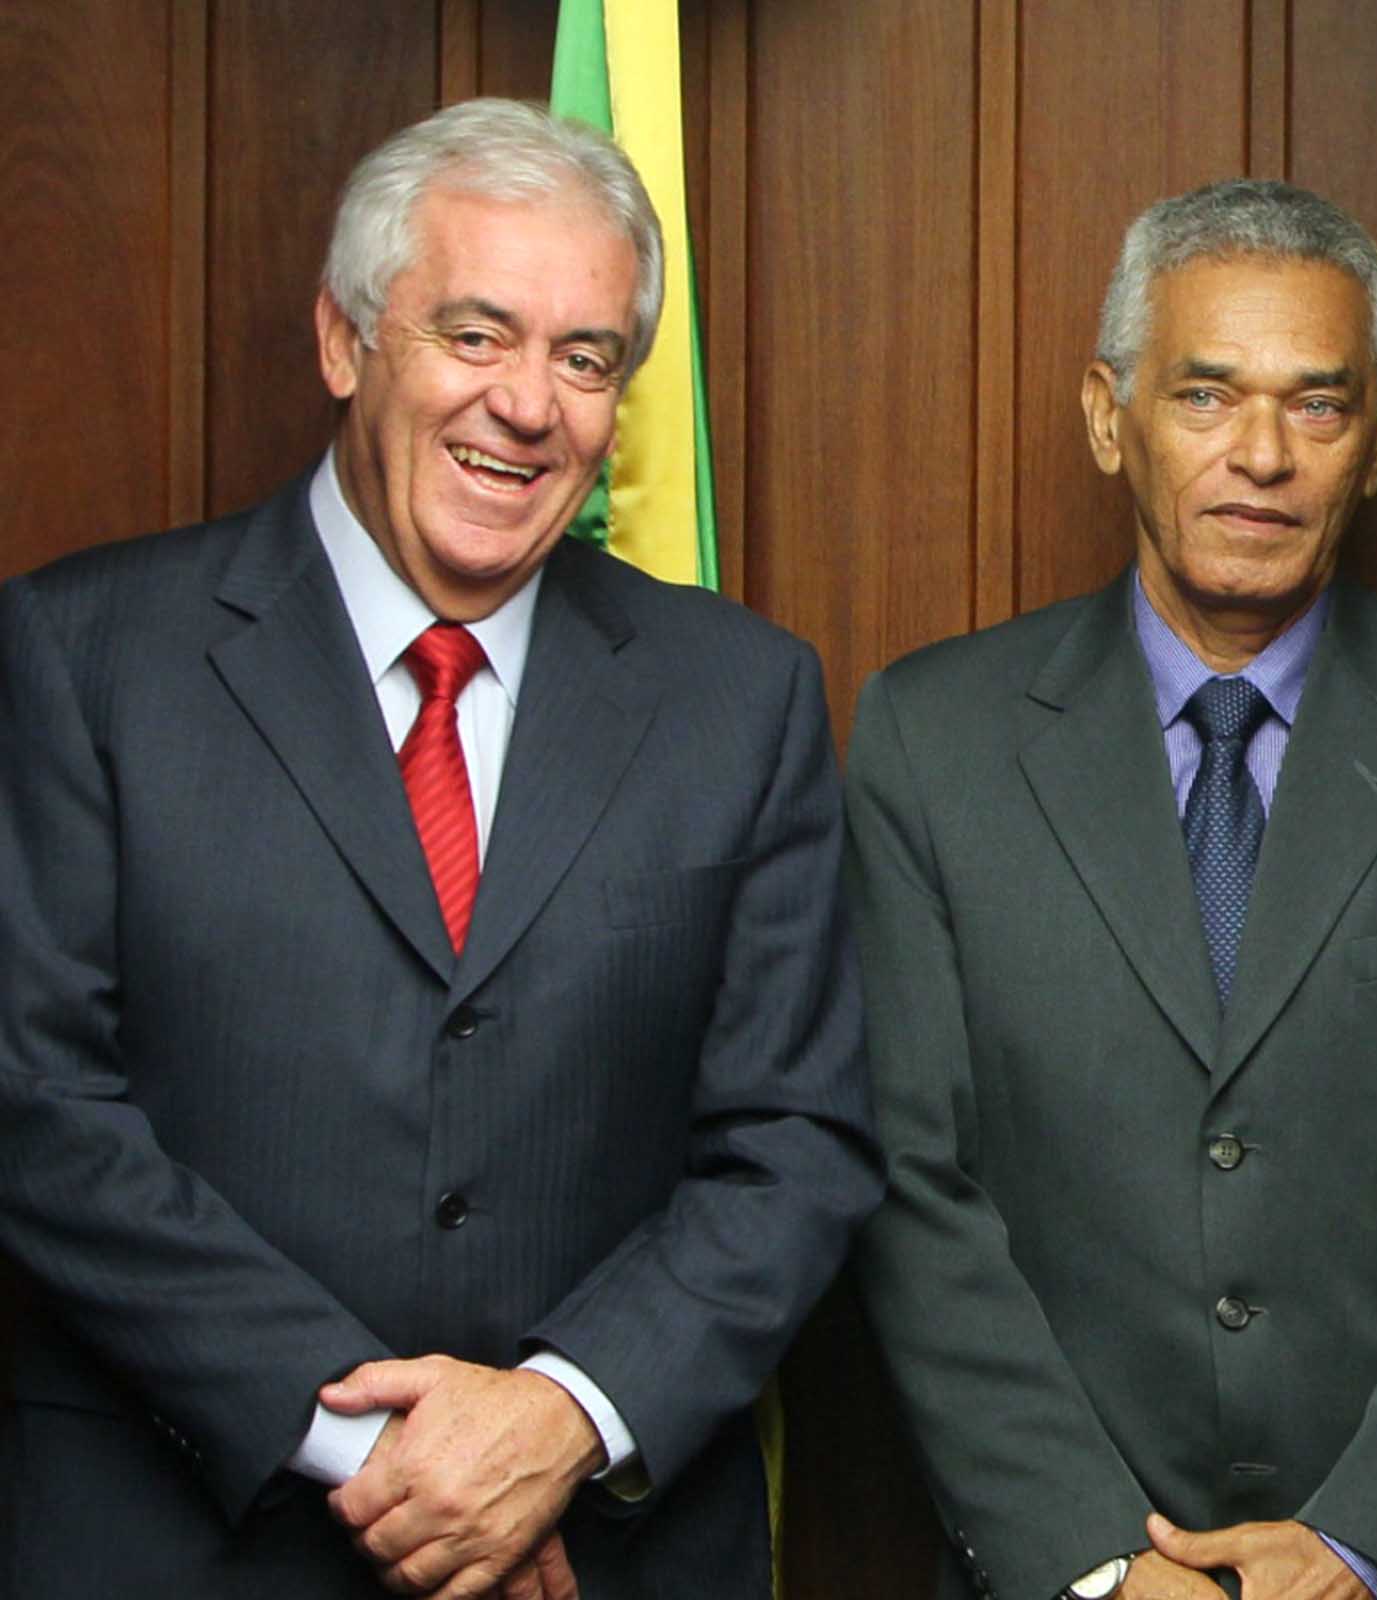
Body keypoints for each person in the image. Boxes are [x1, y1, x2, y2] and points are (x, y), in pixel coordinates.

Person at [0, 98, 879, 1599]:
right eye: (476, 336)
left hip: (605, 1549)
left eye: (585, 358)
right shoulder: (85, 655)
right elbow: (35, 1107)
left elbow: (796, 1143)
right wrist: (385, 1454)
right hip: (182, 1540)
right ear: (347, 345)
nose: (529, 406)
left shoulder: (745, 696)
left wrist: (557, 1418)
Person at [844, 178, 1377, 1600]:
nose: (1261, 454)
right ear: (1110, 416)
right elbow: (913, 1181)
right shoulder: (930, 740)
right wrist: (1089, 1555)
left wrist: (1369, 1542)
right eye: (1205, 396)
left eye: (1317, 407)